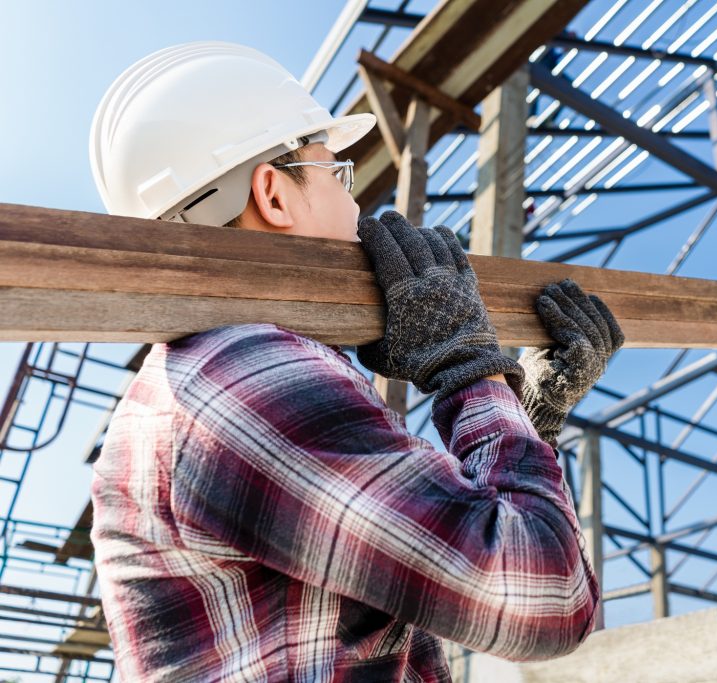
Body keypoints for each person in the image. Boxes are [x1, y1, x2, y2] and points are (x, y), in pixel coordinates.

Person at [88, 42, 623, 681]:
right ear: (273, 194)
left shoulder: (203, 376)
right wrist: (469, 368)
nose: (357, 207)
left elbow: (441, 552)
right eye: (337, 174)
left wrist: (529, 419)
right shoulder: (244, 378)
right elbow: (546, 599)